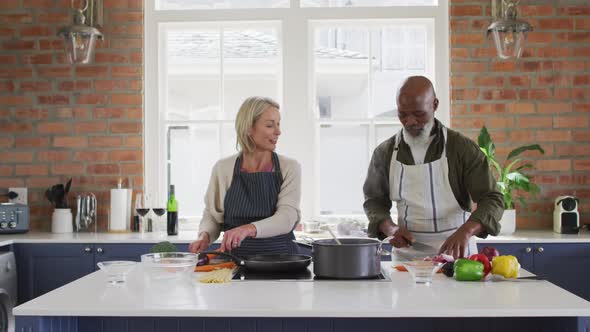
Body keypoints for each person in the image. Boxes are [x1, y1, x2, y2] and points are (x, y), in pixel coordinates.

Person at [363, 76, 504, 259]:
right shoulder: (385, 153)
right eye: (403, 114)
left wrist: (467, 231)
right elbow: (374, 202)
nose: (410, 121)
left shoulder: (461, 149)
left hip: (458, 256)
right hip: (407, 259)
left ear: (435, 104)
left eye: (418, 114)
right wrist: (391, 229)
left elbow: (492, 198)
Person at [189, 96, 301, 257]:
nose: (278, 131)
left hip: (281, 262)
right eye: (270, 125)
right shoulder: (223, 168)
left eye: (278, 124)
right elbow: (213, 215)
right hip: (233, 262)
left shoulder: (289, 167)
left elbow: (287, 218)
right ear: (249, 128)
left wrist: (248, 229)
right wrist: (205, 236)